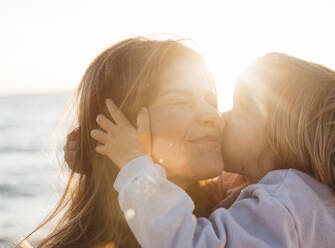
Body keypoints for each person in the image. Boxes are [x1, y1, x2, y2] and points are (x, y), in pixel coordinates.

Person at [92, 53, 335, 247]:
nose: (222, 115)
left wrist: (133, 165)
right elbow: (216, 192)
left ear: (282, 134)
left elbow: (189, 243)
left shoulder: (281, 205)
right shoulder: (297, 196)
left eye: (243, 107)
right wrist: (93, 154)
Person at [21, 37, 225, 248]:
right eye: (181, 101)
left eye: (212, 102)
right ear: (117, 125)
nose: (212, 115)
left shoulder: (234, 213)